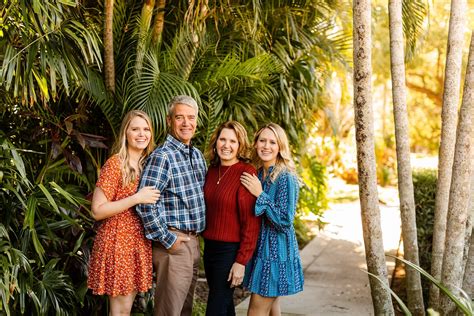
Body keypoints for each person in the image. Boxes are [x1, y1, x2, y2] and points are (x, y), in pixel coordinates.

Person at [136, 95, 207, 316]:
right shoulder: (162, 156)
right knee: (169, 312)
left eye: (191, 117)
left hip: (193, 243)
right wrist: (168, 240)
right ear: (169, 120)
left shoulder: (196, 155)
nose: (186, 123)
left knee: (185, 310)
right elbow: (145, 204)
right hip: (173, 245)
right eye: (179, 117)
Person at [88, 110, 160, 315]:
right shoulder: (116, 164)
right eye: (135, 128)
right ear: (125, 133)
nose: (141, 134)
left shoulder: (148, 165)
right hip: (118, 241)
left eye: (146, 129)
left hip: (138, 242)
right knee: (120, 310)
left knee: (125, 308)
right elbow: (97, 210)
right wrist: (136, 198)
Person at [240, 123, 304, 316]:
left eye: (272, 142)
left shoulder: (286, 177)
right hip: (261, 250)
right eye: (262, 141)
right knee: (272, 311)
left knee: (255, 311)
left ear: (280, 147)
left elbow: (285, 221)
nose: (266, 146)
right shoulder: (259, 173)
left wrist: (260, 194)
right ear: (256, 143)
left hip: (276, 255)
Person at [202, 121, 261, 316]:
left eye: (232, 141)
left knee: (215, 307)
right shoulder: (211, 171)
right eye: (223, 139)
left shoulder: (246, 172)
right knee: (224, 306)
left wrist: (241, 261)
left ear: (240, 145)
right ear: (216, 141)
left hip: (230, 252)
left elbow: (251, 223)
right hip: (210, 248)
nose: (226, 145)